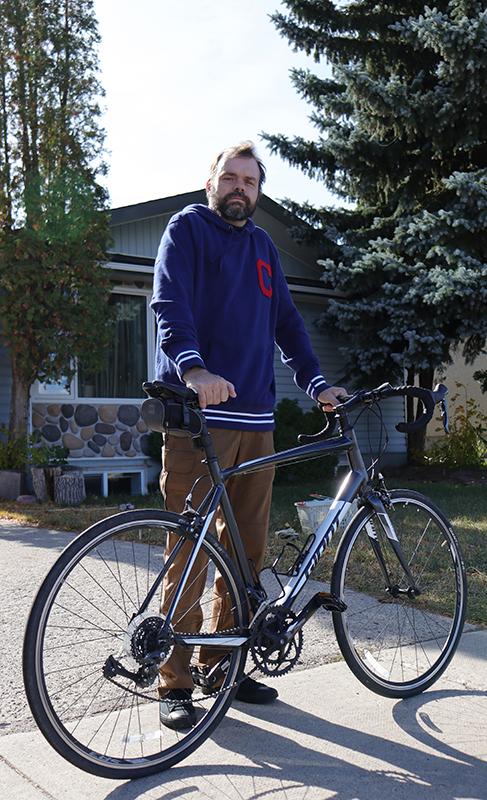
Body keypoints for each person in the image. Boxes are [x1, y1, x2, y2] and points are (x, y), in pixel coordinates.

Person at [150, 141, 346, 730]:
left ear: (258, 192)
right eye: (230, 178)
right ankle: (175, 680)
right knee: (186, 551)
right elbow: (168, 303)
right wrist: (194, 369)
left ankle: (221, 666)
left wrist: (314, 383)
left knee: (244, 554)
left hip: (257, 422)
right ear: (210, 181)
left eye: (250, 182)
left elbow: (286, 322)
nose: (240, 188)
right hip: (197, 419)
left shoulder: (263, 247)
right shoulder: (187, 230)